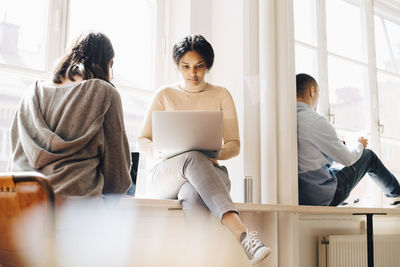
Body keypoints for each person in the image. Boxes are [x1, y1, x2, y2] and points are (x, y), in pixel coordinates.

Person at [137, 34, 271, 264]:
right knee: (190, 158)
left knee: (191, 191)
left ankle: (197, 259)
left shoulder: (221, 95)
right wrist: (167, 155)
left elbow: (234, 145)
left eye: (199, 66)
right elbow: (142, 140)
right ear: (177, 66)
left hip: (210, 173)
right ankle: (244, 236)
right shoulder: (164, 94)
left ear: (208, 65)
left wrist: (207, 154)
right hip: (167, 175)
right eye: (185, 67)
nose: (193, 73)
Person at [8, 32, 131, 198]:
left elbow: (15, 162)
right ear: (107, 62)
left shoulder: (30, 94)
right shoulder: (105, 92)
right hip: (78, 208)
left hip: (25, 206)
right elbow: (117, 177)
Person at [296, 73, 400, 207]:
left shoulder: (286, 119)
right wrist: (360, 145)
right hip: (322, 197)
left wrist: (335, 147)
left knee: (332, 171)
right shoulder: (315, 121)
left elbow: (309, 160)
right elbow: (348, 159)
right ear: (312, 91)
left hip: (302, 195)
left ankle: (349, 201)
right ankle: (396, 195)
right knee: (368, 156)